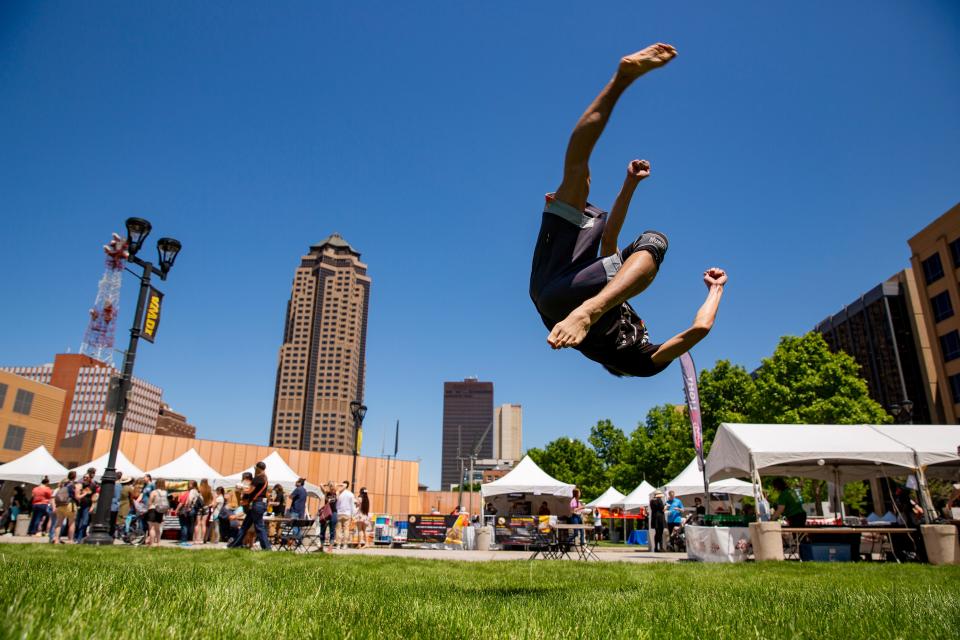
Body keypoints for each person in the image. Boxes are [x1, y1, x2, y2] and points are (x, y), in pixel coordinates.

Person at [529, 43, 727, 378]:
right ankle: (621, 77)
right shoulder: (616, 299)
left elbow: (699, 330)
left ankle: (589, 311)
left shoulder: (641, 362)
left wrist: (717, 289)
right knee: (578, 176)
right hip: (547, 292)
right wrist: (629, 184)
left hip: (571, 304)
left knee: (654, 240)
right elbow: (608, 244)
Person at [228, 461, 271, 550]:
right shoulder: (265, 478)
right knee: (245, 526)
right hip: (260, 504)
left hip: (257, 504)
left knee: (259, 526)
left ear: (258, 469)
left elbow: (249, 491)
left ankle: (267, 548)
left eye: (255, 468)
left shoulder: (257, 478)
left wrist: (239, 490)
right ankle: (235, 544)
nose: (254, 470)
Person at [51, 472, 78, 544]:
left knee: (59, 522)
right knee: (71, 523)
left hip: (60, 505)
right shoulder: (73, 485)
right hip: (70, 504)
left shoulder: (62, 484)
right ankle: (70, 540)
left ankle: (56, 539)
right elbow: (76, 496)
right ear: (75, 477)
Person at [73, 470, 98, 542]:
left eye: (86, 477)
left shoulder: (93, 485)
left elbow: (94, 496)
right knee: (77, 521)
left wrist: (92, 506)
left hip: (87, 506)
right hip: (78, 505)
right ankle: (75, 536)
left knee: (84, 522)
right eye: (84, 477)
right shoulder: (80, 484)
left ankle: (80, 538)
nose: (84, 479)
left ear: (90, 478)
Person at [145, 478, 169, 546]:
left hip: (153, 509)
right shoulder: (165, 492)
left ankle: (152, 543)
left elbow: (150, 502)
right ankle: (158, 543)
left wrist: (147, 508)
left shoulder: (154, 492)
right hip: (160, 511)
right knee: (157, 528)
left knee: (151, 528)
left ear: (156, 484)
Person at [318, 481, 338, 552]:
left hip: (334, 513)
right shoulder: (326, 493)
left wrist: (336, 484)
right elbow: (320, 484)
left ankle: (330, 547)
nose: (333, 489)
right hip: (326, 513)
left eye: (334, 487)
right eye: (331, 487)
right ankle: (321, 546)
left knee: (332, 530)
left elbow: (344, 485)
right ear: (329, 487)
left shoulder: (337, 493)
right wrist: (327, 484)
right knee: (322, 529)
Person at [335, 480, 355, 550]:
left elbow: (336, 504)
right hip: (347, 513)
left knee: (338, 530)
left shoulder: (338, 493)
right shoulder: (351, 494)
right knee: (346, 529)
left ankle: (338, 544)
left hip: (339, 513)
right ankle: (345, 545)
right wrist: (353, 515)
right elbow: (352, 505)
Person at [194, 479, 214, 544]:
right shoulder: (209, 489)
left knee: (198, 524)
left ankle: (196, 539)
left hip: (199, 508)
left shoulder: (199, 489)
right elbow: (212, 500)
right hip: (206, 508)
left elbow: (195, 498)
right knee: (204, 524)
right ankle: (202, 539)